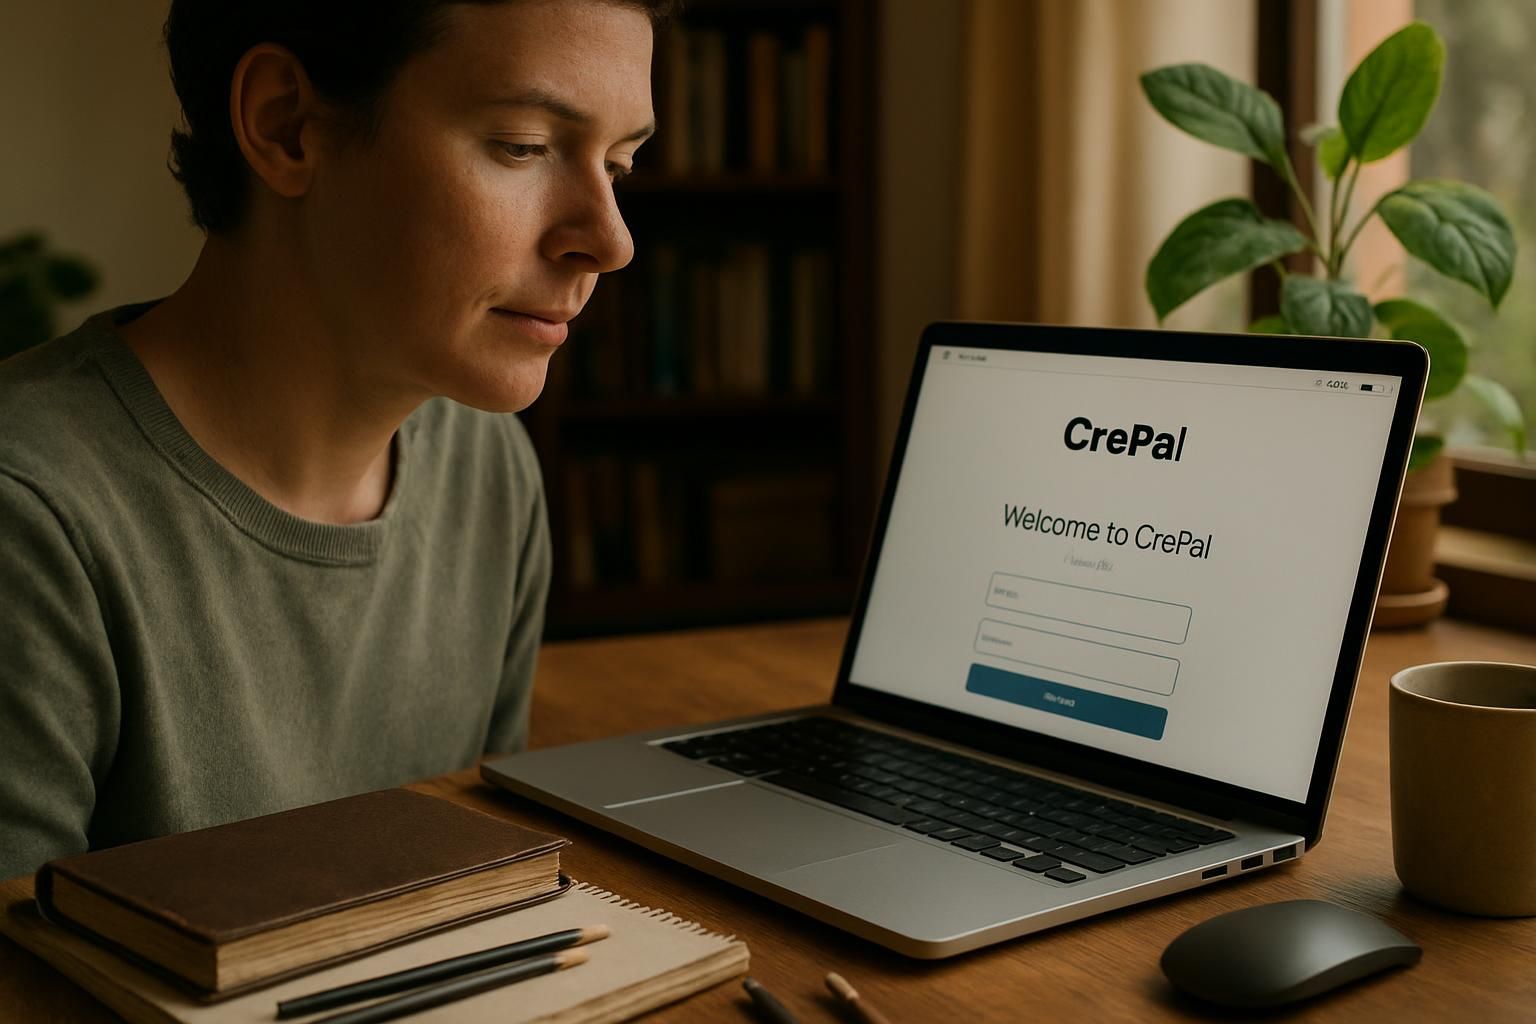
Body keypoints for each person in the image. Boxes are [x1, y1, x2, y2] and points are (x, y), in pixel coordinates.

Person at [0, 0, 666, 878]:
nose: (611, 242)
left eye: (620, 164)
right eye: (523, 145)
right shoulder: (32, 517)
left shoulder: (486, 468)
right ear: (286, 125)